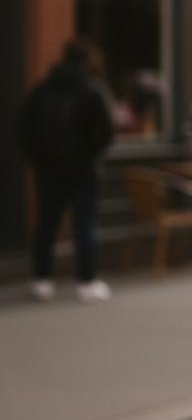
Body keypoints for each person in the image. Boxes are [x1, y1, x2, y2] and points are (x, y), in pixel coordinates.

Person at [18, 37, 115, 302]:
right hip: (83, 169)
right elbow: (106, 130)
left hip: (49, 169)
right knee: (84, 224)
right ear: (86, 61)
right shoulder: (92, 90)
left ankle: (42, 280)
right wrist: (90, 153)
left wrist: (38, 159)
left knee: (47, 224)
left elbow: (24, 128)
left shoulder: (43, 89)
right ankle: (86, 281)